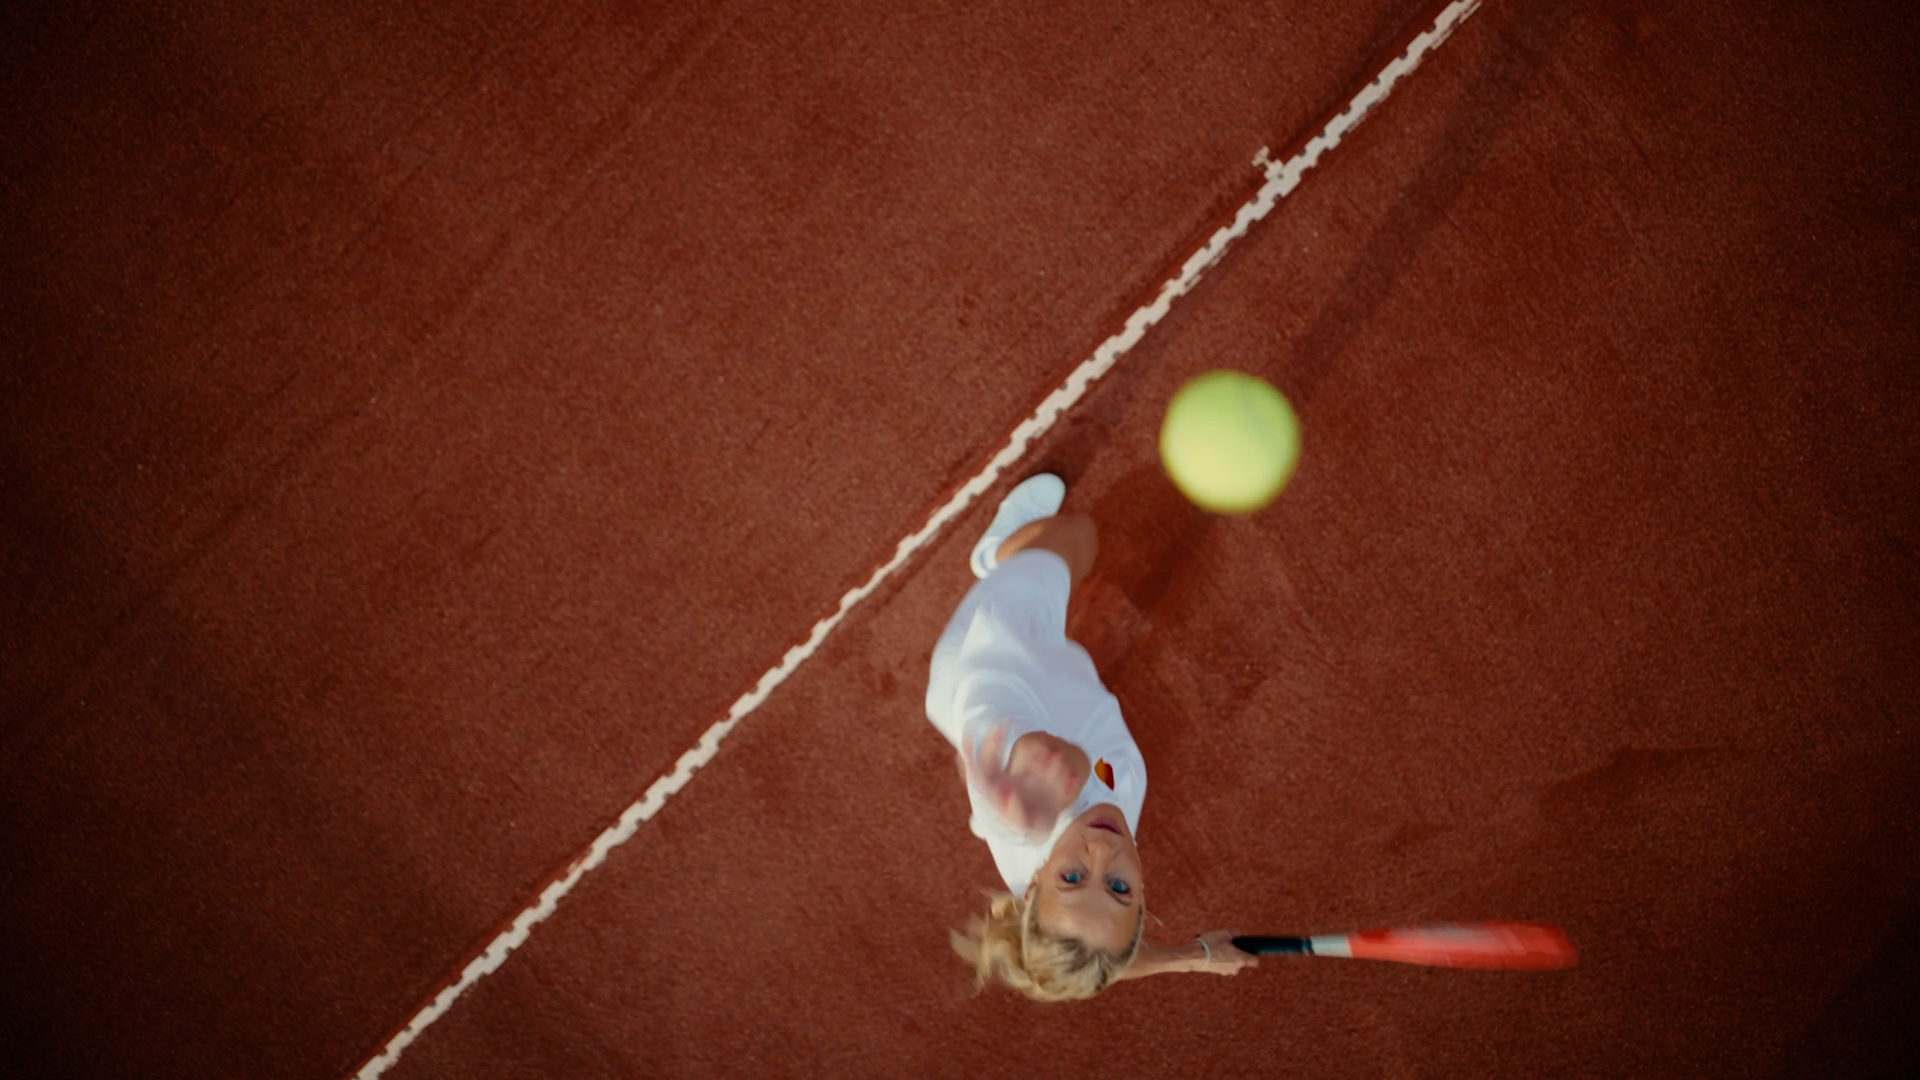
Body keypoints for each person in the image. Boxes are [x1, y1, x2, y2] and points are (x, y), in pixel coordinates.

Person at [929, 474, 1258, 1001]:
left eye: (1073, 877)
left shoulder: (1025, 817)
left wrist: (1037, 776)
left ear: (1033, 885)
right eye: (1120, 889)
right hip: (1064, 691)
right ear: (1143, 900)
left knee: (1080, 535)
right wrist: (1191, 958)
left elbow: (1061, 762)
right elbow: (1101, 965)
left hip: (999, 658)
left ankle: (998, 555)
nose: (1102, 852)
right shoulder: (1074, 932)